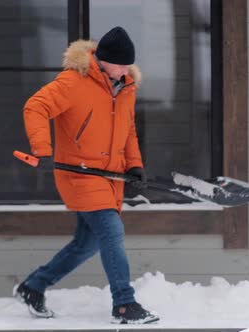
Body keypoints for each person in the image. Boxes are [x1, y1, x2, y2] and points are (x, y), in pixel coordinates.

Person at [13, 26, 159, 325]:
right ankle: (124, 304)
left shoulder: (126, 86)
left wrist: (134, 165)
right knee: (112, 231)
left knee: (87, 244)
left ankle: (34, 286)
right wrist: (42, 150)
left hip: (110, 176)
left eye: (127, 65)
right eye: (119, 65)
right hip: (80, 174)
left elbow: (128, 129)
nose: (124, 71)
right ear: (102, 60)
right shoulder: (73, 82)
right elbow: (36, 106)